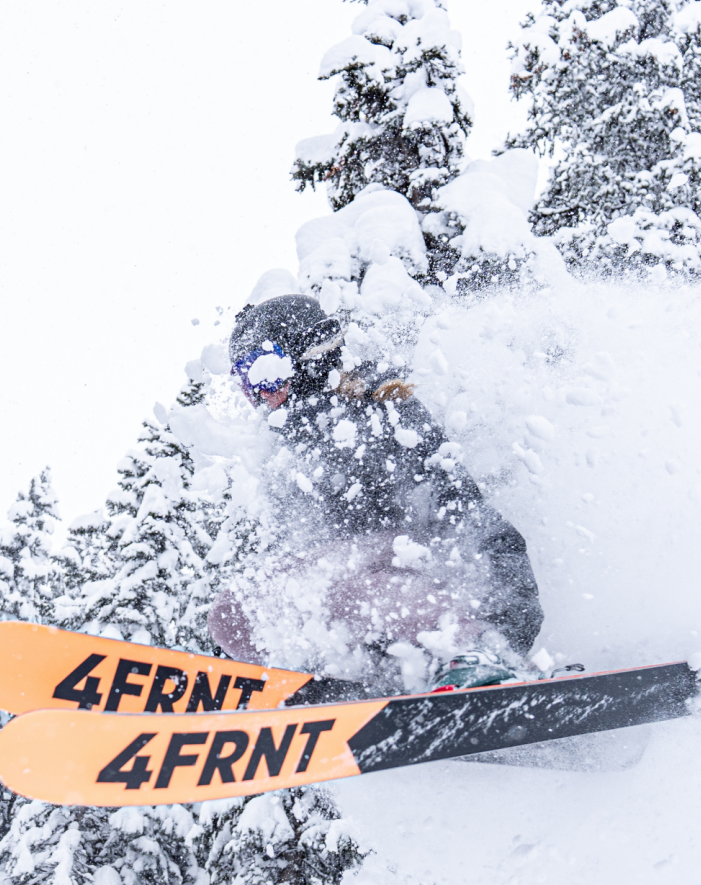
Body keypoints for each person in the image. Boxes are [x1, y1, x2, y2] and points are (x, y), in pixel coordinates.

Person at [207, 294, 544, 697]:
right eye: (246, 381)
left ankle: (480, 653)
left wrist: (501, 618)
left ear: (307, 357)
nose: (259, 394)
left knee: (333, 580)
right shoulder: (291, 462)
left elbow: (467, 518)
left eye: (265, 372)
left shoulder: (376, 412)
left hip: (472, 595)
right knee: (234, 611)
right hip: (385, 621)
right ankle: (331, 685)